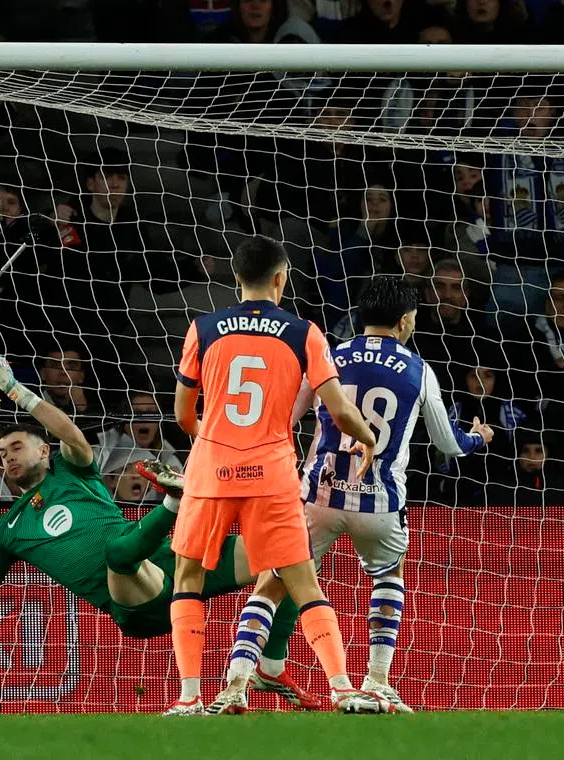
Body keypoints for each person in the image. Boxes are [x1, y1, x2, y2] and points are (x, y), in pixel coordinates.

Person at [0, 342, 320, 711]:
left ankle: (271, 667)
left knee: (282, 555)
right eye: (1, 452)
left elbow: (73, 435)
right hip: (133, 601)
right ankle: (176, 498)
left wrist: (15, 391)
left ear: (44, 451)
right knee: (118, 555)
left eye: (16, 446)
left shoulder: (73, 470)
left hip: (164, 560)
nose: (6, 456)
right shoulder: (7, 527)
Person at [219, 275, 489, 712]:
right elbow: (449, 444)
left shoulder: (328, 357)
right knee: (388, 576)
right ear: (404, 322)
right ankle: (377, 679)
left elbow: (285, 417)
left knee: (273, 583)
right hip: (379, 504)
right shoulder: (419, 371)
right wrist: (478, 436)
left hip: (319, 496)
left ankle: (236, 682)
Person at [169, 235, 387, 716]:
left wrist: (216, 439)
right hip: (272, 473)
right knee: (303, 583)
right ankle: (344, 688)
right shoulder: (303, 332)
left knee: (188, 578)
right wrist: (367, 440)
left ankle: (188, 697)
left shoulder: (203, 328)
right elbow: (339, 410)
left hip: (212, 471)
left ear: (236, 277)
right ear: (281, 278)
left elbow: (184, 414)